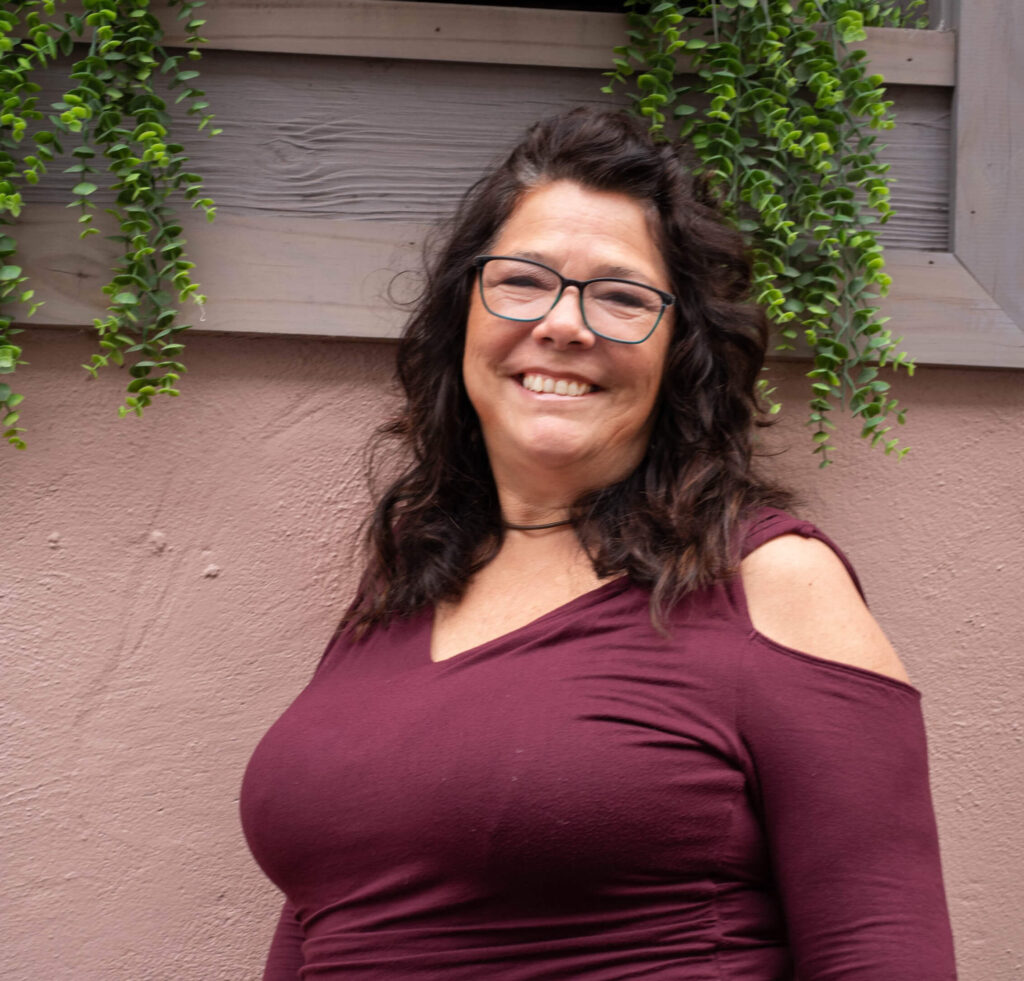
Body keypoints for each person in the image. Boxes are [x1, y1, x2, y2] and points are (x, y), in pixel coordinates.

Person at [240, 108, 957, 979]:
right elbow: (329, 919)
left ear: (681, 349)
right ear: (463, 314)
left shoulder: (770, 582)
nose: (564, 324)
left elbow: (880, 949)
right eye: (522, 281)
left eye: (621, 297)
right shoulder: (402, 586)